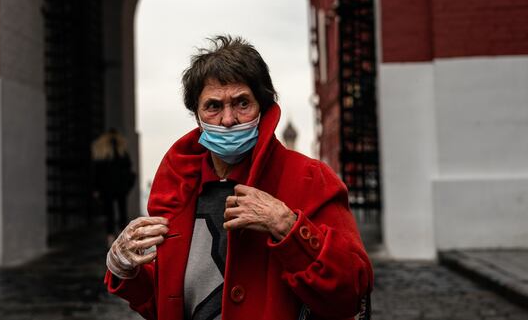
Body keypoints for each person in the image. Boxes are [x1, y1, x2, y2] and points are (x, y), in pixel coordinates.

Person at [104, 35, 373, 320]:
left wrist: (287, 226)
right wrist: (125, 270)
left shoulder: (309, 179)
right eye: (213, 106)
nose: (228, 119)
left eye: (242, 103)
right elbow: (167, 306)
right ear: (197, 115)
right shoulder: (179, 189)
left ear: (264, 106)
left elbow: (351, 291)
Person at [91, 128, 136, 244]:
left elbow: (96, 172)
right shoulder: (121, 150)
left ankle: (110, 237)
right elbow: (128, 168)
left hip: (106, 187)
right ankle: (123, 238)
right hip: (120, 185)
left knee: (109, 213)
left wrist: (96, 188)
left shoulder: (102, 151)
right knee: (122, 211)